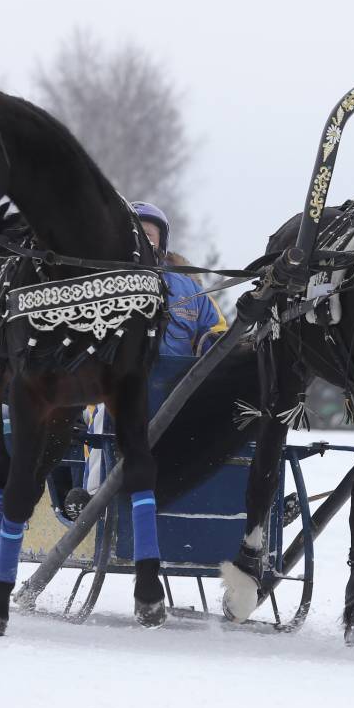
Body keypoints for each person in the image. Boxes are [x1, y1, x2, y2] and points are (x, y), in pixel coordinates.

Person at [65, 201, 227, 518]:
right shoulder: (99, 287)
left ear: (161, 242)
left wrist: (216, 343)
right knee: (102, 414)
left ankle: (221, 499)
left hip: (177, 389)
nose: (141, 239)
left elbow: (216, 329)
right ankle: (95, 498)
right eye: (133, 232)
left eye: (148, 233)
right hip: (116, 389)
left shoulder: (188, 289)